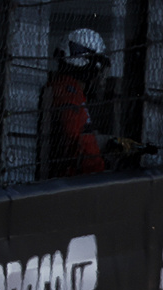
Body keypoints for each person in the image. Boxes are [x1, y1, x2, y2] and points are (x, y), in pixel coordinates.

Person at [42, 29, 110, 178]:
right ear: (88, 66)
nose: (100, 77)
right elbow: (83, 144)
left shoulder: (65, 88)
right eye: (98, 68)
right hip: (76, 181)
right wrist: (101, 175)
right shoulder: (70, 95)